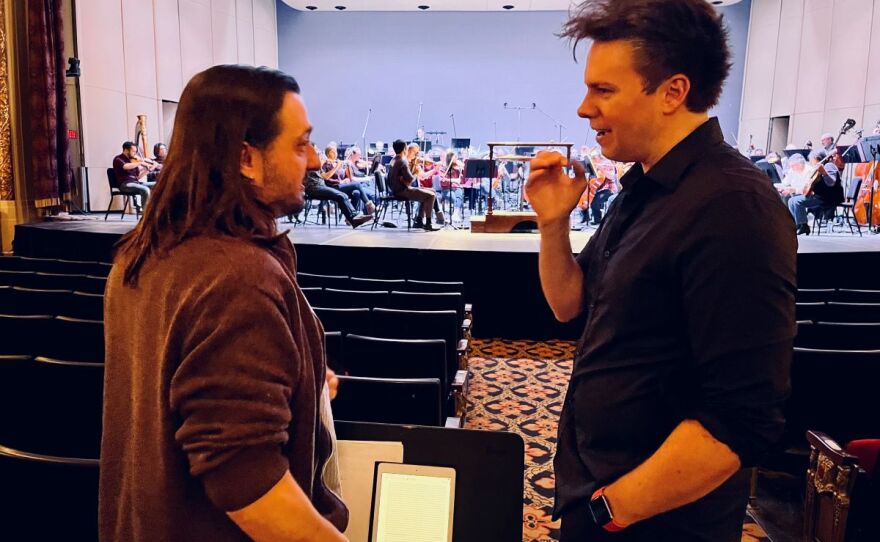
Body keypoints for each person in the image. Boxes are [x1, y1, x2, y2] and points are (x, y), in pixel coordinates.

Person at [527, 1, 796, 540]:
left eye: (603, 91)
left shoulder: (732, 207)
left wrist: (611, 510)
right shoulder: (644, 189)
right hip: (603, 496)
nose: (583, 109)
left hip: (655, 520)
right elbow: (568, 304)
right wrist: (553, 223)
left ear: (673, 92)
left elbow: (740, 421)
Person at [100, 65, 348, 542]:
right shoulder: (238, 279)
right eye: (300, 144)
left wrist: (303, 381)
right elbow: (246, 481)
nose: (314, 161)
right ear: (246, 158)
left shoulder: (145, 253)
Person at [387, 139, 439, 231]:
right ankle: (428, 223)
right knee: (431, 195)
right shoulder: (403, 161)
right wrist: (415, 172)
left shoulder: (394, 160)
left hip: (395, 190)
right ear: (404, 149)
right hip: (402, 191)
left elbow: (405, 178)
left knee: (429, 192)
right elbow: (410, 178)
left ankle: (419, 220)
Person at [787, 149, 843, 235]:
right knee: (791, 200)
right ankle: (798, 224)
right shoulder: (818, 168)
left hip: (829, 197)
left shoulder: (829, 166)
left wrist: (824, 172)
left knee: (797, 201)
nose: (810, 162)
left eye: (811, 160)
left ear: (817, 158)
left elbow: (831, 183)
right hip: (820, 196)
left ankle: (804, 225)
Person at [112, 141, 157, 209]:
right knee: (145, 189)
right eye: (133, 151)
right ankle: (145, 213)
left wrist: (149, 169)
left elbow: (138, 177)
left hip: (136, 183)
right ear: (126, 150)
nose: (135, 154)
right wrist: (140, 162)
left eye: (136, 151)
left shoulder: (133, 161)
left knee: (158, 184)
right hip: (125, 185)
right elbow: (125, 166)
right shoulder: (118, 159)